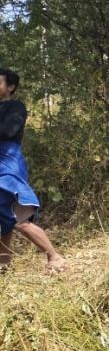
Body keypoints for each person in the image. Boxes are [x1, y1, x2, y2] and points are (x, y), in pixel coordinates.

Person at [0, 68, 66, 273]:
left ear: (10, 87)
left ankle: (54, 256)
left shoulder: (16, 107)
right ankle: (3, 264)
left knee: (19, 217)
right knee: (3, 218)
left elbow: (8, 131)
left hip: (9, 164)